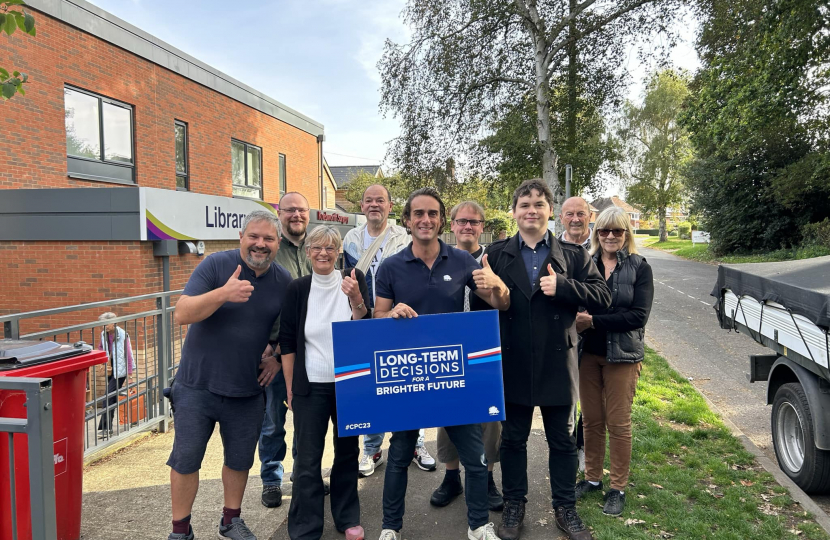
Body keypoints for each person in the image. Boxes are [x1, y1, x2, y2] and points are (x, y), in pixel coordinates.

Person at [472, 179, 611, 540]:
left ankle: (565, 507)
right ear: (514, 212)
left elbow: (601, 297)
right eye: (524, 204)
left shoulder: (576, 255)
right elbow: (478, 308)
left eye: (538, 204)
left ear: (550, 211)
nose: (531, 210)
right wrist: (484, 289)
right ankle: (515, 504)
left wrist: (563, 287)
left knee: (562, 441)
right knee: (514, 440)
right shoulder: (497, 254)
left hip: (557, 361)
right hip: (513, 358)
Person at [374, 187, 511, 540]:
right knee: (400, 455)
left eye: (432, 213)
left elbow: (498, 304)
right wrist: (391, 313)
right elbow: (376, 317)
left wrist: (497, 285)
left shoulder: (463, 261)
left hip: (453, 373)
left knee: (476, 457)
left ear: (440, 219)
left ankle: (479, 524)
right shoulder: (390, 267)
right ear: (406, 220)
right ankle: (391, 528)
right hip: (409, 376)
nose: (425, 220)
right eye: (418, 213)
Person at [167, 210, 290, 540]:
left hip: (247, 389)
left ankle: (230, 520)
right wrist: (224, 293)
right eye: (254, 236)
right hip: (196, 386)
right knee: (185, 460)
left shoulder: (283, 281)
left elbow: (290, 331)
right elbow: (181, 313)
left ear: (278, 243)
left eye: (268, 239)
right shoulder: (215, 265)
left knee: (239, 461)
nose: (260, 244)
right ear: (241, 237)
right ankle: (180, 530)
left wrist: (277, 358)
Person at [280, 226, 371, 540]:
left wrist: (357, 299)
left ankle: (347, 518)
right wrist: (291, 388)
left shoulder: (352, 281)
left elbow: (365, 326)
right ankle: (306, 526)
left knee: (347, 453)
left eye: (330, 248)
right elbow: (288, 342)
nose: (323, 253)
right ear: (307, 252)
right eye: (317, 247)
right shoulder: (297, 289)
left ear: (338, 252)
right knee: (307, 458)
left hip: (348, 383)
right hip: (311, 385)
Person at [343, 184, 436, 477]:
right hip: (365, 321)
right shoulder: (351, 238)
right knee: (375, 388)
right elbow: (348, 280)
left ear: (389, 205)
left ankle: (417, 444)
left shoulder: (402, 235)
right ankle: (372, 449)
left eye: (380, 200)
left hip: (401, 321)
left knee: (412, 384)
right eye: (369, 200)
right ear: (361, 205)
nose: (374, 205)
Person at [573, 207, 654, 517]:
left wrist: (591, 321)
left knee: (618, 424)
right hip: (587, 357)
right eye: (604, 231)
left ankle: (617, 487)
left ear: (626, 234)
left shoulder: (639, 267)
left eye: (616, 231)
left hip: (622, 357)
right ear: (596, 233)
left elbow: (638, 316)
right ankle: (592, 478)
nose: (609, 236)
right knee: (592, 421)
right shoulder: (585, 263)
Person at [430, 201, 503, 512]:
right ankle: (451, 477)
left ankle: (486, 478)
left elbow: (504, 301)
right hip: (448, 350)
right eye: (462, 221)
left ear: (481, 227)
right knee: (449, 415)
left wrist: (496, 282)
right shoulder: (440, 260)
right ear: (453, 226)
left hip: (485, 350)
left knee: (489, 416)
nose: (468, 227)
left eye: (474, 222)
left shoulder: (494, 260)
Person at [259, 192, 313, 508]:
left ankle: (304, 475)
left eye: (301, 210)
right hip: (276, 355)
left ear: (309, 214)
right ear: (279, 213)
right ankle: (270, 480)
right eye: (289, 209)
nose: (296, 214)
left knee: (309, 420)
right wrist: (273, 352)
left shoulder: (315, 248)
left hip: (312, 352)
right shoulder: (269, 251)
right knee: (272, 422)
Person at [557, 196, 593, 473]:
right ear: (561, 218)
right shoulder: (552, 248)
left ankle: (583, 450)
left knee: (588, 400)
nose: (575, 219)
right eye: (569, 214)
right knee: (565, 398)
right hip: (560, 337)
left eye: (580, 213)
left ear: (589, 216)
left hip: (594, 334)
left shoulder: (603, 244)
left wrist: (592, 319)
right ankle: (567, 450)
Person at [96, 312, 135, 436]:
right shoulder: (104, 334)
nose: (105, 327)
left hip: (121, 370)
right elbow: (101, 347)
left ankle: (105, 428)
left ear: (114, 323)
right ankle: (108, 428)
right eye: (102, 325)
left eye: (106, 324)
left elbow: (128, 355)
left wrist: (130, 375)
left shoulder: (123, 335)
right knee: (111, 398)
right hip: (110, 367)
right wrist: (101, 359)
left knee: (108, 396)